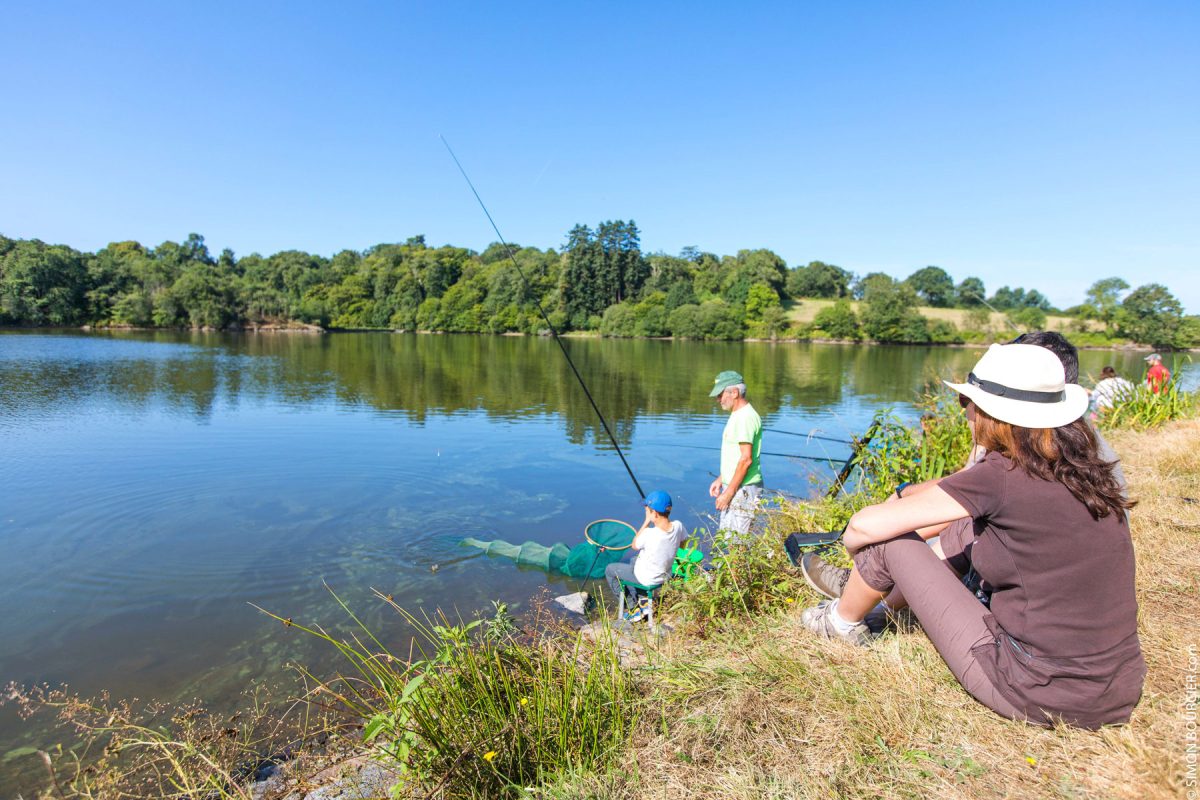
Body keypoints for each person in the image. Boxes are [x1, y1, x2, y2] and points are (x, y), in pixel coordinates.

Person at [799, 343, 1144, 729]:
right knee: (965, 525)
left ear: (991, 414)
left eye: (968, 399)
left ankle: (840, 622)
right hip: (1117, 686)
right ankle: (881, 607)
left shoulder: (1003, 475)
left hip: (1036, 688)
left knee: (890, 540)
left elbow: (864, 527)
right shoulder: (1083, 466)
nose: (964, 408)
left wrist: (855, 547)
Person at [604, 490, 686, 621]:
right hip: (665, 575)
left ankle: (633, 608)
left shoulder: (649, 533)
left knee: (610, 570)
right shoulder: (678, 526)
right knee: (633, 559)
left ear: (654, 513)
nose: (646, 513)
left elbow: (634, 545)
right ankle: (643, 600)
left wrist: (647, 521)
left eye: (648, 511)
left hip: (648, 579)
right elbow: (682, 545)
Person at [707, 370, 763, 538]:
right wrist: (721, 479)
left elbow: (746, 459)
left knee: (737, 545)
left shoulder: (745, 418)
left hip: (743, 489)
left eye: (720, 395)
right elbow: (736, 456)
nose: (718, 400)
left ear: (735, 393)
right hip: (735, 485)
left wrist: (728, 493)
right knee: (727, 539)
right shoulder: (737, 415)